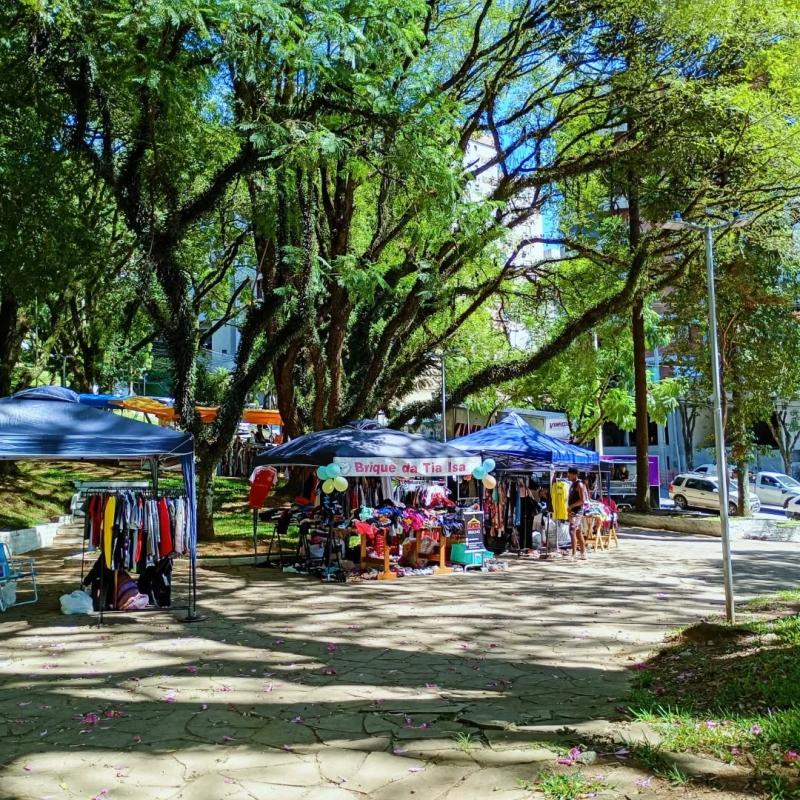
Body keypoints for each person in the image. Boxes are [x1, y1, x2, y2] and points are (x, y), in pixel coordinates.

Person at [567, 467, 588, 560]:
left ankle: (574, 554)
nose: (567, 475)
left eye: (569, 474)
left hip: (577, 511)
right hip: (572, 511)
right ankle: (583, 553)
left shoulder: (579, 485)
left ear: (575, 474)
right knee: (578, 532)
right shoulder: (572, 484)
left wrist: (571, 506)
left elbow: (582, 500)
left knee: (572, 531)